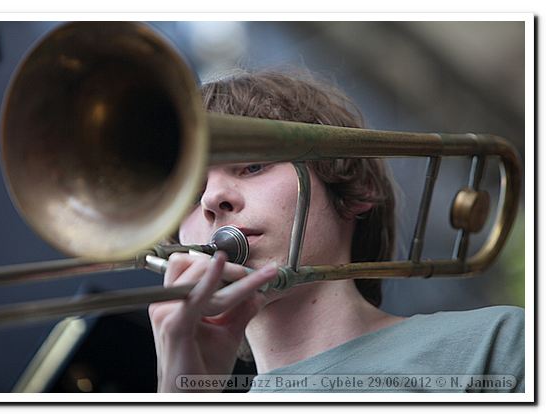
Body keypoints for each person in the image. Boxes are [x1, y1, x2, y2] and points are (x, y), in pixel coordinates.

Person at [147, 70, 525, 393]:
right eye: (190, 194)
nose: (212, 198)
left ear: (353, 187)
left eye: (254, 166)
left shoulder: (500, 345)